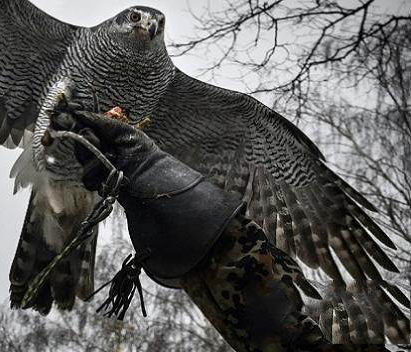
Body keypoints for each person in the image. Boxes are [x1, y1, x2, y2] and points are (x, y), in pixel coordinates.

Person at [48, 110, 344, 352]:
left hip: (212, 239)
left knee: (275, 330)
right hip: (200, 241)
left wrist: (152, 172)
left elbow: (281, 332)